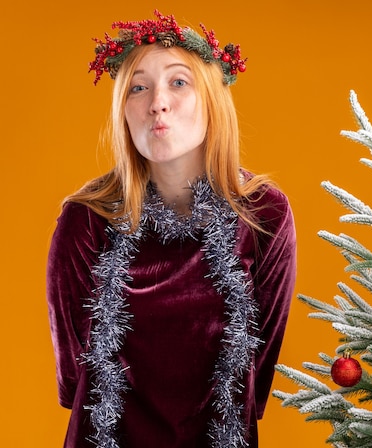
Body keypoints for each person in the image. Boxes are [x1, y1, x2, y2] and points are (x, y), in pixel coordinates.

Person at [46, 10, 297, 448]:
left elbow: (258, 370)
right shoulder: (85, 219)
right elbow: (74, 378)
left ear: (212, 99)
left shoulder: (264, 213)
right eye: (138, 88)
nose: (156, 102)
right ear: (123, 110)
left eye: (178, 82)